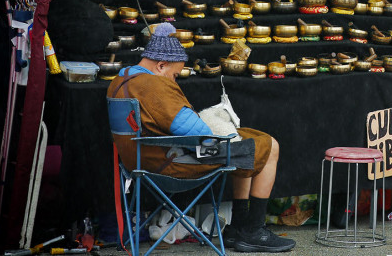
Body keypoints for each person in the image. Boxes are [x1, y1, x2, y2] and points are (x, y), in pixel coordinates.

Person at [107, 23, 294, 253]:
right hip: (170, 162)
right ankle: (253, 230)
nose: (174, 81)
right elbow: (198, 131)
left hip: (140, 160)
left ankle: (238, 228)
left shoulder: (121, 78)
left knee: (248, 140)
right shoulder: (152, 85)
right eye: (174, 75)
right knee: (268, 145)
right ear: (161, 65)